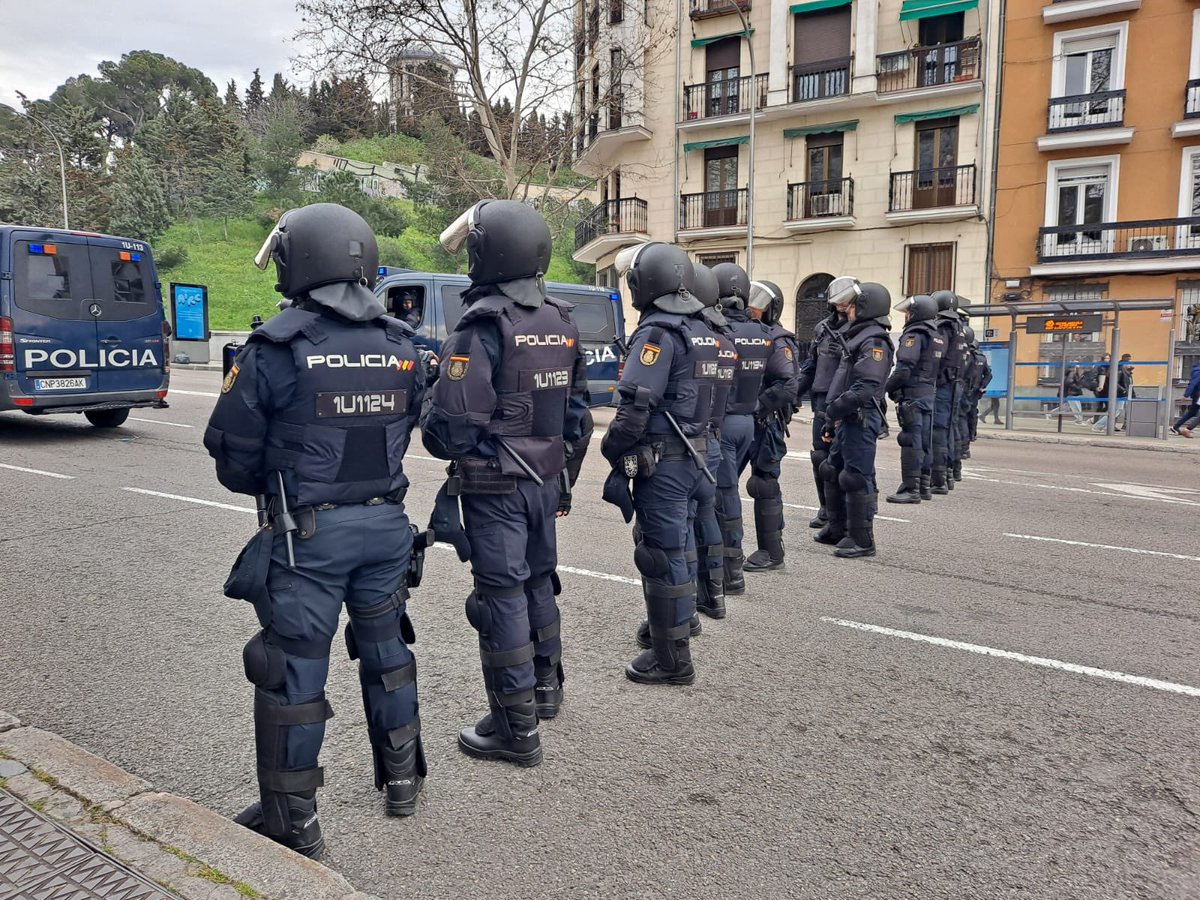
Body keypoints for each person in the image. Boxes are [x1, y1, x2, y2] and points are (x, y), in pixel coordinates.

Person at [204, 203, 428, 858]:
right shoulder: (403, 343)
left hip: (310, 539)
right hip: (387, 527)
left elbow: (232, 459)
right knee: (388, 653)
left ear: (298, 259)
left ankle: (294, 822)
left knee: (291, 673)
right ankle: (404, 781)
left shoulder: (274, 348)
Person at [422, 199, 591, 767]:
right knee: (540, 582)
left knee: (501, 598)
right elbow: (579, 416)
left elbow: (451, 427)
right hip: (544, 478)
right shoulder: (562, 319)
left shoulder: (483, 324)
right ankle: (546, 691)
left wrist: (431, 406)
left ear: (486, 251)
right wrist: (562, 477)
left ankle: (515, 729)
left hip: (495, 484)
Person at [601, 242, 717, 686]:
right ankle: (678, 625)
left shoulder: (657, 332)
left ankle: (671, 660)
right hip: (696, 455)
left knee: (659, 555)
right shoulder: (702, 327)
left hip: (665, 463)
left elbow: (633, 411)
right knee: (680, 548)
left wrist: (610, 450)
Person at [710, 263, 787, 589]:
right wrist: (757, 405)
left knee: (723, 496)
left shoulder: (717, 331)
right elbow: (788, 381)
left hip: (722, 423)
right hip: (747, 422)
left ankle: (731, 574)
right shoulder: (765, 334)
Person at [813, 282, 894, 558]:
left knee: (856, 477)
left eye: (852, 306)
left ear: (865, 308)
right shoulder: (856, 336)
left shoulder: (875, 340)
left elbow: (867, 386)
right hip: (844, 416)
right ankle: (838, 528)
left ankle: (862, 538)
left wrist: (836, 408)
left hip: (860, 416)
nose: (846, 310)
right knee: (831, 469)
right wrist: (831, 416)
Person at [743, 279, 801, 571]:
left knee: (763, 484)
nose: (752, 308)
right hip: (741, 421)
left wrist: (757, 407)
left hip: (765, 422)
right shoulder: (744, 332)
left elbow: (788, 385)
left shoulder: (778, 339)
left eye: (759, 303)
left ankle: (771, 552)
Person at [795, 281, 854, 525]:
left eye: (846, 298)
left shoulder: (861, 329)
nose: (840, 303)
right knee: (821, 457)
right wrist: (793, 391)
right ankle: (826, 509)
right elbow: (810, 365)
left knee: (848, 460)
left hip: (847, 401)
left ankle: (851, 515)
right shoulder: (821, 329)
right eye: (837, 298)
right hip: (821, 401)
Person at [884, 294, 942, 504]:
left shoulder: (915, 335)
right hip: (928, 394)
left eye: (908, 312)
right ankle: (924, 486)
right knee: (924, 441)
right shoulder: (936, 336)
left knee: (911, 441)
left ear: (917, 313)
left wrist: (887, 387)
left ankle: (911, 489)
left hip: (914, 396)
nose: (906, 316)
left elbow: (904, 368)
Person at [929, 291, 964, 495]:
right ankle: (950, 473)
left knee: (938, 432)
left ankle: (939, 480)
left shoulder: (942, 328)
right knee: (950, 429)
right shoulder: (958, 327)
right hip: (955, 385)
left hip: (942, 386)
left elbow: (937, 357)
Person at [1093, 354, 1133, 432]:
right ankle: (1098, 425)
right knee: (1115, 410)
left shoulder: (1124, 370)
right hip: (1120, 393)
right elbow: (1115, 382)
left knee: (1116, 410)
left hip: (1123, 393)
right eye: (1129, 362)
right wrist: (1123, 390)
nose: (1131, 364)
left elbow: (1128, 383)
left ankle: (1100, 425)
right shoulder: (1119, 370)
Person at [1171, 359, 1200, 434]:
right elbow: (1193, 383)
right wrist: (1186, 394)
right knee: (1192, 412)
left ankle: (1175, 427)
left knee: (1192, 412)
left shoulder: (1197, 369)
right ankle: (1187, 429)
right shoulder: (1198, 370)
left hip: (1196, 395)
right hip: (1198, 395)